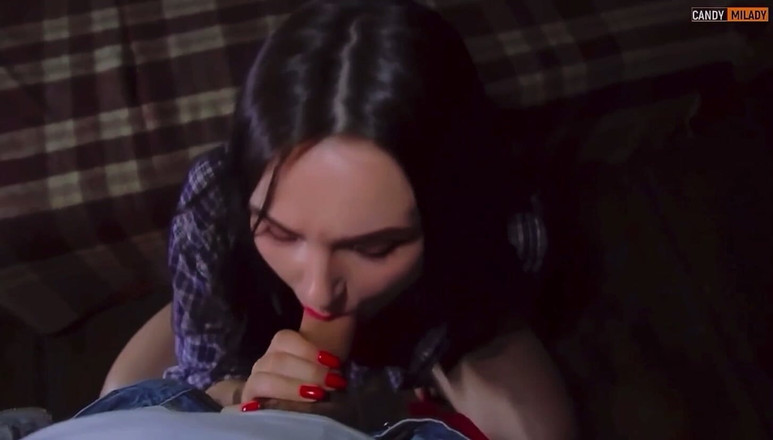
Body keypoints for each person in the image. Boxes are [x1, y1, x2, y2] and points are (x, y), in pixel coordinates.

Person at [92, 0, 575, 438]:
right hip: (245, 317)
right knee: (119, 395)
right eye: (280, 232)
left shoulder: (505, 227)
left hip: (419, 325)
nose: (319, 291)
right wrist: (249, 398)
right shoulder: (215, 205)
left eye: (375, 247)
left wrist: (377, 401)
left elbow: (470, 323)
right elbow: (209, 371)